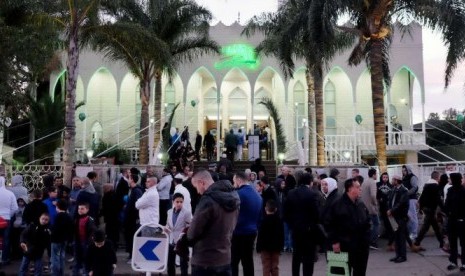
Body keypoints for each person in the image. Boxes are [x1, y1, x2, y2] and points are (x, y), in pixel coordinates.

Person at [187, 169, 240, 276]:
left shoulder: (207, 200)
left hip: (205, 260)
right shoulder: (234, 197)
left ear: (201, 182)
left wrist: (186, 236)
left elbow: (193, 233)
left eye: (196, 186)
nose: (197, 191)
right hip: (225, 258)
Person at [325, 178, 370, 276]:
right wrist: (335, 242)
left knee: (360, 272)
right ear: (350, 189)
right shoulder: (338, 204)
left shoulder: (360, 203)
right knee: (343, 272)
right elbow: (330, 224)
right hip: (345, 246)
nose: (360, 189)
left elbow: (367, 221)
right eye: (357, 187)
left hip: (361, 246)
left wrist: (367, 238)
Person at [283, 173, 320, 276]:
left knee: (296, 256)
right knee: (308, 258)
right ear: (310, 182)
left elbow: (285, 213)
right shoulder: (312, 194)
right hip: (309, 231)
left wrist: (292, 224)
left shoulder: (291, 193)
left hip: (296, 230)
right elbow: (316, 214)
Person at [231, 171, 262, 276]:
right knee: (248, 261)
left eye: (234, 181)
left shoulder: (238, 194)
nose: (233, 184)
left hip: (238, 232)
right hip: (252, 231)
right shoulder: (257, 194)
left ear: (239, 180)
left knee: (233, 262)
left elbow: (232, 212)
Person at [414, 171, 444, 249]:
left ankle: (441, 242)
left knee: (435, 226)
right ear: (437, 177)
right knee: (426, 227)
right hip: (431, 209)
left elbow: (422, 197)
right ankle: (417, 242)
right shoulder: (436, 186)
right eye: (439, 177)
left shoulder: (426, 185)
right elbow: (438, 199)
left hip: (426, 208)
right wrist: (444, 209)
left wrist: (421, 208)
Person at [166, 193, 192, 276]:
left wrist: (184, 235)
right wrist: (166, 228)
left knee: (183, 264)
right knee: (170, 263)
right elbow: (169, 224)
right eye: (177, 202)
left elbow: (189, 226)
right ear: (173, 202)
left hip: (182, 242)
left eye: (181, 202)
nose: (179, 204)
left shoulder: (186, 213)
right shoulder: (169, 212)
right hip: (171, 240)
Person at [256, 199, 284, 276]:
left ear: (265, 208)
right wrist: (281, 245)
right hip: (276, 246)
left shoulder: (264, 221)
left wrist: (258, 247)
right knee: (275, 266)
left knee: (266, 266)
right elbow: (281, 234)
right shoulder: (279, 221)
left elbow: (260, 235)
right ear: (275, 209)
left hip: (265, 247)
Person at [444, 172, 465, 271]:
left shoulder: (463, 191)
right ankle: (453, 261)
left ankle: (464, 263)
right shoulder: (450, 190)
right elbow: (446, 205)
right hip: (452, 221)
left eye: (450, 179)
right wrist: (448, 213)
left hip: (462, 221)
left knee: (463, 243)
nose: (449, 180)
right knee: (453, 243)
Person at [387, 175, 409, 263]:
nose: (392, 181)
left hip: (401, 216)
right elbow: (390, 201)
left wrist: (391, 210)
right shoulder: (393, 189)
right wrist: (389, 210)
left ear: (397, 181)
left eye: (393, 179)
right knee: (396, 236)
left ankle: (403, 256)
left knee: (401, 237)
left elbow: (400, 203)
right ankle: (397, 255)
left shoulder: (404, 191)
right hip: (394, 216)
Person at [51, 199, 74, 276]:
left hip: (56, 240)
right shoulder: (68, 216)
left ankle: (56, 274)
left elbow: (56, 229)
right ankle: (61, 273)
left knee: (55, 259)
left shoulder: (58, 217)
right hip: (64, 240)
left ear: (57, 207)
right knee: (62, 257)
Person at [73, 203, 97, 276]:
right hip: (77, 242)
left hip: (86, 242)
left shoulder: (90, 219)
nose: (80, 210)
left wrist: (89, 242)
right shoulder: (76, 219)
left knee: (86, 261)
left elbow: (92, 232)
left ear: (87, 210)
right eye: (79, 208)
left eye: (82, 209)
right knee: (77, 260)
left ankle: (85, 273)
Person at [124, 173, 143, 261]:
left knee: (132, 237)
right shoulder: (132, 190)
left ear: (132, 179)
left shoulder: (136, 191)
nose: (128, 179)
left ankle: (133, 256)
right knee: (129, 236)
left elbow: (137, 205)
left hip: (133, 218)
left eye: (129, 178)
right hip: (129, 217)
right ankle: (131, 254)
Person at [0, 176, 18, 265]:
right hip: (6, 219)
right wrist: (9, 215)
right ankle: (5, 259)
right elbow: (15, 208)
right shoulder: (10, 193)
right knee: (6, 240)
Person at [361, 168, 380, 249]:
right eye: (376, 174)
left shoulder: (365, 181)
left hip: (364, 207)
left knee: (368, 225)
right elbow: (373, 195)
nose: (377, 175)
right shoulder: (372, 182)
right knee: (376, 224)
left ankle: (367, 241)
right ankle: (373, 242)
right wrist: (375, 204)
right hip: (371, 208)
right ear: (373, 174)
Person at [376, 172, 393, 250]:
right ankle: (387, 235)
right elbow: (376, 194)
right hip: (381, 206)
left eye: (386, 177)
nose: (385, 179)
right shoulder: (378, 184)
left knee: (389, 222)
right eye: (384, 177)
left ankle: (390, 237)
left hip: (388, 207)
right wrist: (379, 199)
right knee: (384, 222)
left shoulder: (390, 185)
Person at [402, 165, 419, 240]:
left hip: (411, 199)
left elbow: (414, 187)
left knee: (412, 217)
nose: (403, 172)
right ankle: (409, 233)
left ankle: (414, 233)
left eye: (404, 170)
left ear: (408, 170)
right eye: (402, 171)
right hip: (406, 199)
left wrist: (407, 193)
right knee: (408, 217)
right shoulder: (404, 178)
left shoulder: (412, 177)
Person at [101, 184, 120, 249]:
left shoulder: (106, 196)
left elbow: (105, 208)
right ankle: (115, 245)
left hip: (109, 217)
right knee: (115, 232)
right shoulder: (116, 195)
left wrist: (100, 214)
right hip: (115, 217)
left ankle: (110, 245)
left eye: (104, 188)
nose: (103, 190)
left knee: (109, 232)